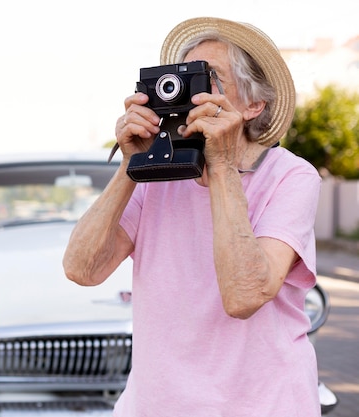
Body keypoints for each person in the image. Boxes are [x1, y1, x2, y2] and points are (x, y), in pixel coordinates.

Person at [63, 17, 322, 417]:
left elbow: (243, 297)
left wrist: (220, 164)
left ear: (253, 104)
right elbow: (81, 269)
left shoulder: (290, 176)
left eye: (208, 77)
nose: (186, 89)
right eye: (182, 77)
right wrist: (131, 165)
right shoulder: (155, 176)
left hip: (262, 406)